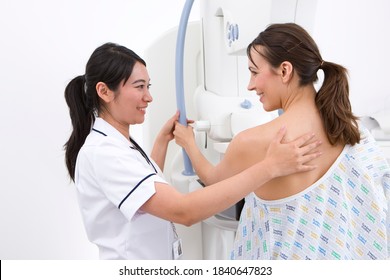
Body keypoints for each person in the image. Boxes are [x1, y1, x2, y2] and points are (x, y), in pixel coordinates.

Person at [63, 42, 322, 260]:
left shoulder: (118, 143)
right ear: (104, 91)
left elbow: (144, 189)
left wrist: (162, 143)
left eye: (148, 87)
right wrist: (270, 166)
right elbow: (183, 211)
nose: (149, 97)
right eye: (139, 87)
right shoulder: (104, 152)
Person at [174, 23, 390, 260]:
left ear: (285, 71)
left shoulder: (252, 142)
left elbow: (214, 183)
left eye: (255, 72)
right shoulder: (353, 132)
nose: (250, 85)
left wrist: (189, 144)